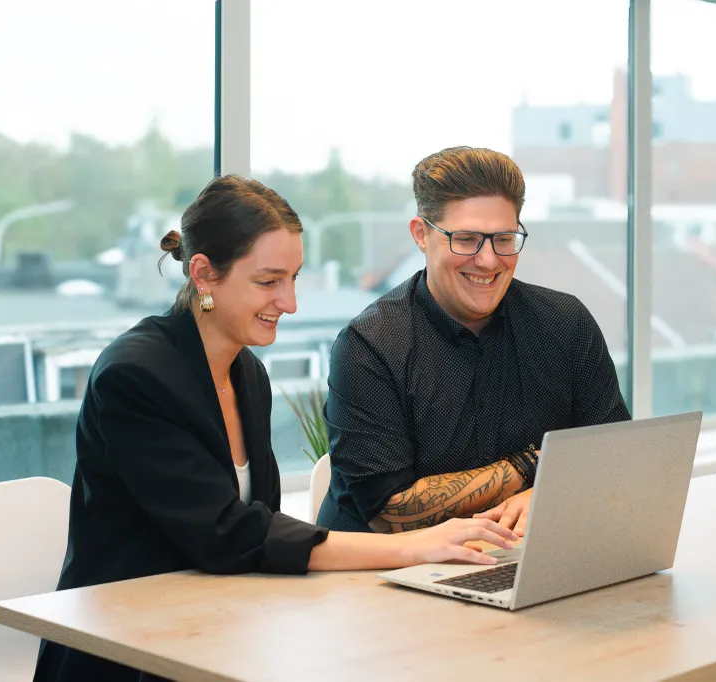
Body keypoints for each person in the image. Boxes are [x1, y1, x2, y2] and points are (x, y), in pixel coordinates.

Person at [32, 175, 518, 682]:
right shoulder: (135, 376)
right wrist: (411, 547)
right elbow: (230, 534)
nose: (289, 302)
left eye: (293, 278)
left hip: (211, 636)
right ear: (203, 274)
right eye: (268, 281)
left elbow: (253, 526)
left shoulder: (246, 372)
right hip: (125, 656)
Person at [317, 147, 631, 536]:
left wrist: (541, 496)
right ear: (421, 234)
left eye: (503, 238)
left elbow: (616, 456)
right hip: (381, 582)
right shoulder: (369, 346)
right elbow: (389, 512)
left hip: (520, 562)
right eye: (465, 239)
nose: (488, 260)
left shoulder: (566, 324)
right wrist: (532, 467)